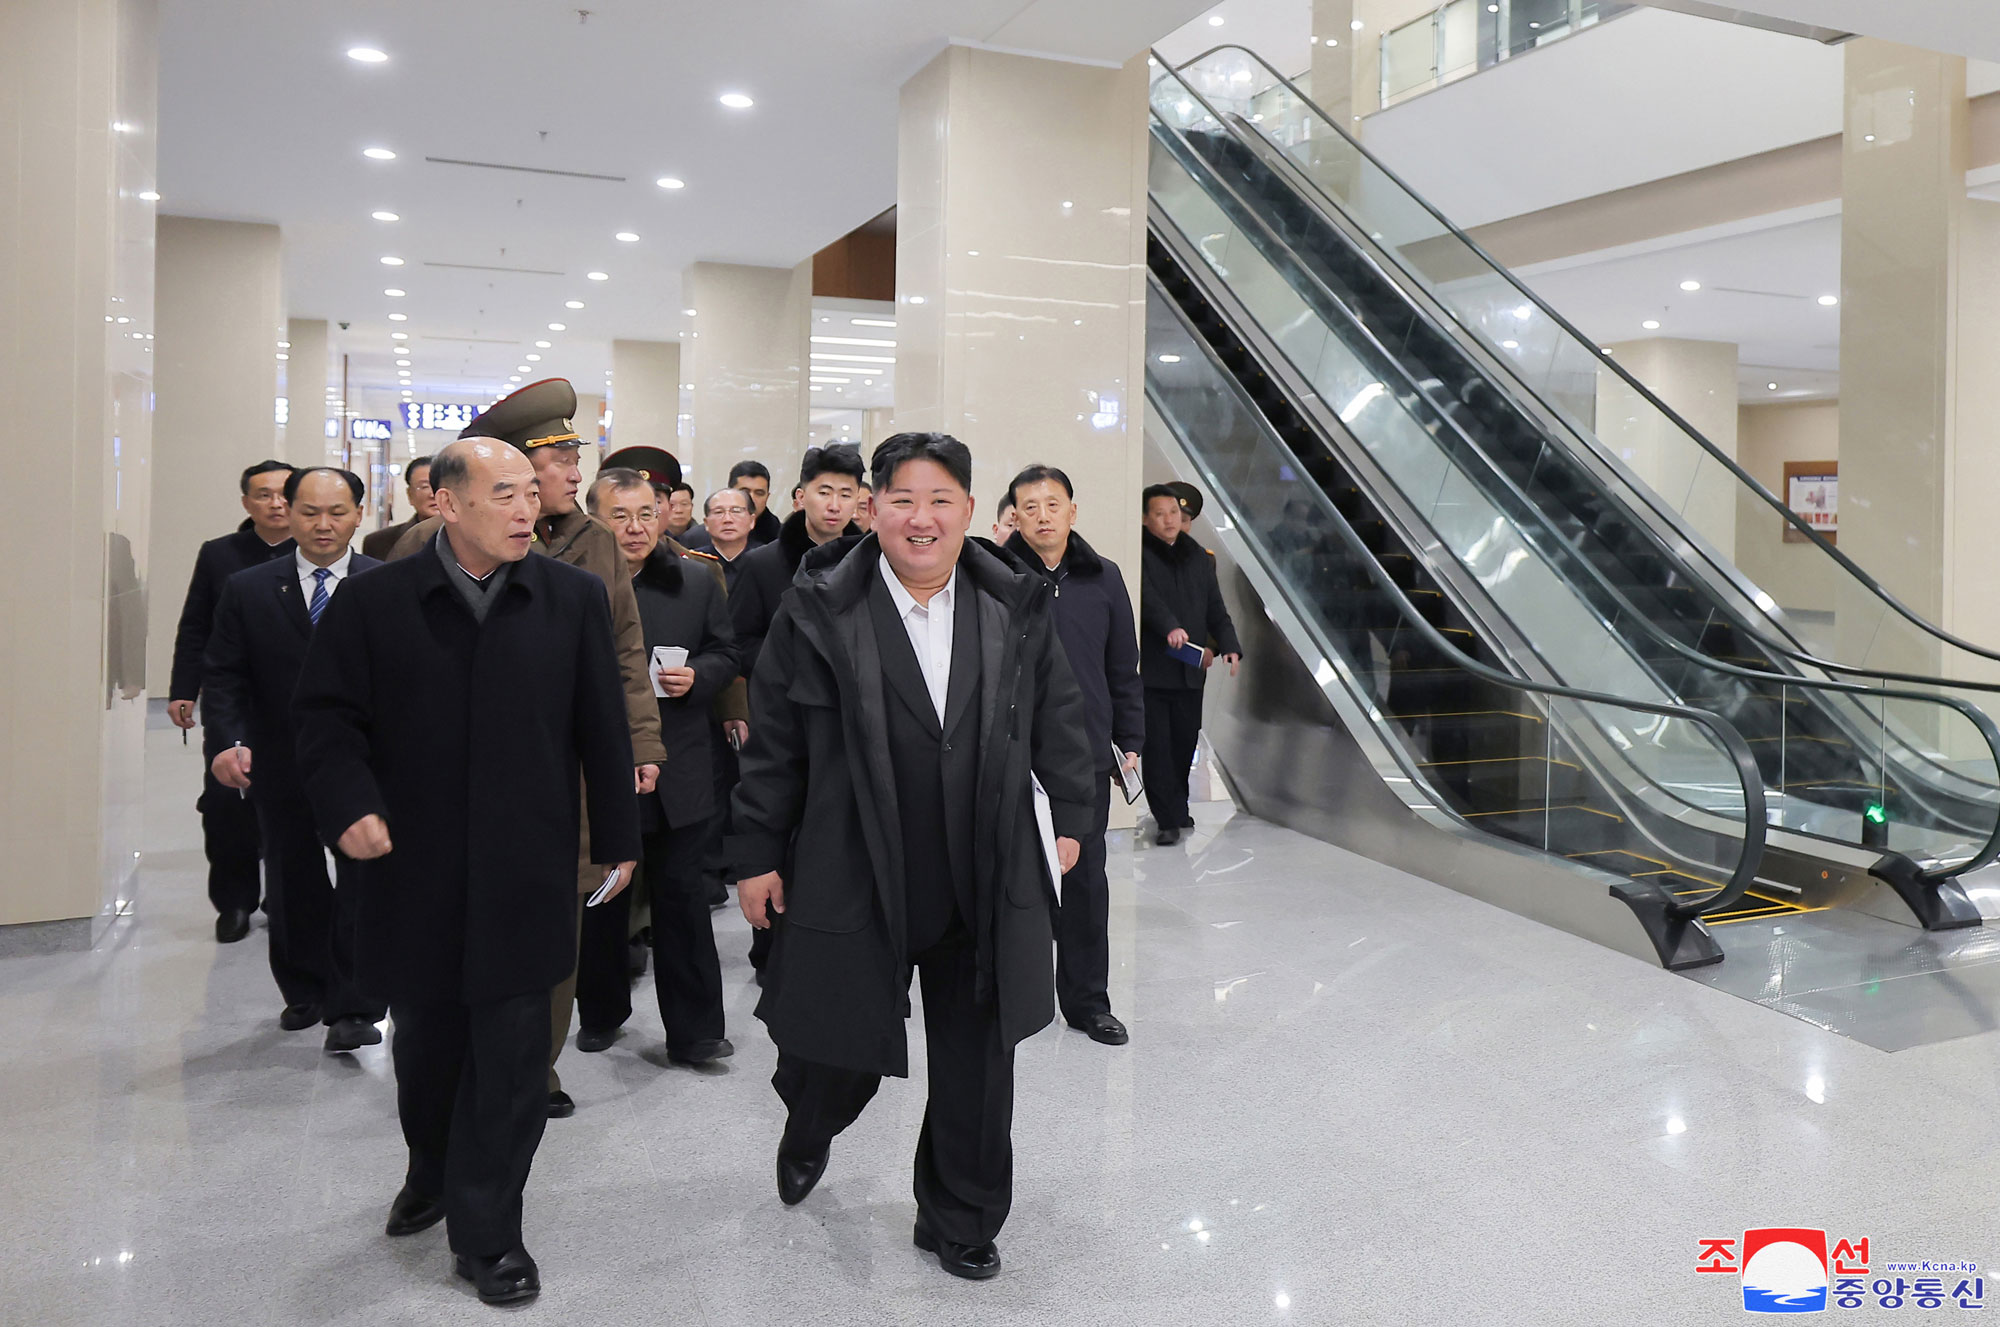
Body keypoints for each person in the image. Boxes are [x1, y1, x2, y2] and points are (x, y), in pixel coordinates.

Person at [731, 431, 1095, 1281]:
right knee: (836, 1040)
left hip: (984, 862)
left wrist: (1073, 814)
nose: (920, 518)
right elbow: (775, 742)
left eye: (941, 501)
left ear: (971, 511)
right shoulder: (819, 603)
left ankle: (960, 1214)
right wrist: (754, 852)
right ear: (871, 507)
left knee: (978, 1054)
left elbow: (1062, 719)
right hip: (853, 861)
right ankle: (811, 1117)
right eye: (901, 499)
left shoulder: (1016, 601)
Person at [293, 438, 640, 1308]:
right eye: (504, 494)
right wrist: (349, 805)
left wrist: (621, 838)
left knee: (517, 1058)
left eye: (533, 493)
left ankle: (490, 1232)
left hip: (530, 865)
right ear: (446, 504)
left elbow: (604, 724)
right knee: (431, 1047)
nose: (528, 509)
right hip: (415, 868)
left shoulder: (572, 597)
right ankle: (432, 1170)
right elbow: (325, 718)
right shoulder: (377, 599)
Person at [388, 380, 666, 1119]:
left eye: (575, 458)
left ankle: (531, 1065)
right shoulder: (427, 545)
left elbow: (624, 649)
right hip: (452, 783)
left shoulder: (592, 543)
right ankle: (451, 1070)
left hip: (560, 772)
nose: (575, 473)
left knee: (555, 926)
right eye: (560, 458)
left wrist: (640, 742)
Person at [203, 467, 387, 1050]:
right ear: (289, 512)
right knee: (291, 881)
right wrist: (228, 741)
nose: (323, 524)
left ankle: (358, 1003)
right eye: (310, 511)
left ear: (359, 515)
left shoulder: (387, 586)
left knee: (366, 880)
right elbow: (225, 675)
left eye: (337, 512)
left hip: (365, 765)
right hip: (280, 761)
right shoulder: (250, 588)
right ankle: (305, 990)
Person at [576, 470, 740, 1063]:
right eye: (619, 515)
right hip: (599, 769)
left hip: (681, 766)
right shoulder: (572, 582)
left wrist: (700, 676)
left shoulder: (696, 580)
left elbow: (727, 652)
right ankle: (599, 1012)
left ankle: (696, 1032)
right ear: (593, 517)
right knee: (603, 899)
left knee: (683, 901)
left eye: (648, 513)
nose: (636, 527)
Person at [1002, 464, 1144, 1047]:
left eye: (1052, 504)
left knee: (1085, 883)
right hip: (1010, 754)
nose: (1041, 516)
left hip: (1083, 756)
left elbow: (1123, 668)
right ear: (1013, 515)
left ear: (1072, 512)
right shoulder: (994, 574)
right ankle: (1013, 997)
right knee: (1013, 880)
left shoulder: (1103, 577)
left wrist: (1130, 741)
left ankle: (1088, 1003)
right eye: (1029, 506)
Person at [728, 444, 865, 978]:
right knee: (780, 827)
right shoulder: (764, 564)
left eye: (846, 494)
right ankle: (770, 947)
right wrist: (791, 663)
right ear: (801, 495)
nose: (834, 505)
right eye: (824, 492)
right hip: (782, 718)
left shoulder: (874, 560)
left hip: (847, 721)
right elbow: (736, 640)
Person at [167, 458, 295, 942]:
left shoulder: (319, 554)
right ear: (247, 503)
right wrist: (184, 688)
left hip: (295, 703)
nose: (275, 502)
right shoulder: (220, 555)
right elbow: (195, 624)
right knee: (226, 803)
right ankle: (234, 901)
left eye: (284, 492)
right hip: (234, 700)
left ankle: (282, 896)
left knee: (288, 804)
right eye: (263, 494)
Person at [1139, 483, 1242, 846]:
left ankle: (1178, 807)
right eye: (1161, 513)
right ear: (1145, 518)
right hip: (1153, 670)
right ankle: (1165, 818)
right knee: (1158, 748)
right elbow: (1147, 599)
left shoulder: (1198, 555)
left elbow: (1214, 605)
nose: (1170, 520)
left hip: (1190, 671)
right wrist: (1169, 627)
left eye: (1175, 513)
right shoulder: (1139, 553)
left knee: (1184, 744)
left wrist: (1229, 644)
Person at [362, 455, 436, 559]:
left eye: (440, 486)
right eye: (424, 487)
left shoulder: (465, 538)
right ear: (410, 494)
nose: (433, 494)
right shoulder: (379, 542)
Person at [682, 488, 755, 589]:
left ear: (752, 521)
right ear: (706, 523)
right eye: (718, 512)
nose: (727, 519)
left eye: (736, 511)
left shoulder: (764, 562)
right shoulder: (692, 563)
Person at [730, 458, 782, 546]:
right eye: (745, 492)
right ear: (729, 493)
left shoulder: (782, 539)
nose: (752, 498)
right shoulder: (707, 534)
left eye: (759, 493)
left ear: (767, 497)